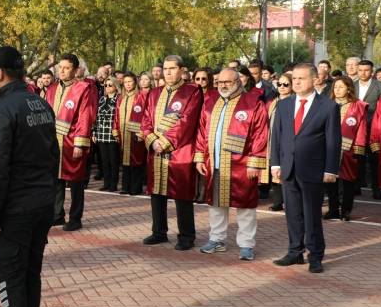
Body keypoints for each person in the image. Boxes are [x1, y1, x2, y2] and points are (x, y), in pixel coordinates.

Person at [0, 45, 59, 307]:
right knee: (30, 273)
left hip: (15, 208)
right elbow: (54, 156)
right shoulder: (40, 103)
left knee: (11, 275)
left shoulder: (2, 110)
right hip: (40, 203)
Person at [270, 63, 341, 273]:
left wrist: (330, 170)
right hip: (288, 168)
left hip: (313, 170)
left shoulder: (328, 106)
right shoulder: (283, 105)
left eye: (301, 78)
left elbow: (333, 141)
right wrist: (275, 163)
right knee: (292, 213)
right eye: (295, 79)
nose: (297, 82)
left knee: (311, 215)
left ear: (314, 79)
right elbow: (277, 137)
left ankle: (315, 255)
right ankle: (294, 252)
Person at [193, 68, 269, 261]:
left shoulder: (252, 103)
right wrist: (200, 157)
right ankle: (217, 239)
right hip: (214, 162)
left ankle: (246, 244)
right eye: (220, 82)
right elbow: (202, 131)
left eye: (228, 82)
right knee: (216, 204)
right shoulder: (210, 102)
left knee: (245, 206)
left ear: (238, 82)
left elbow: (260, 135)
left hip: (242, 164)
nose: (223, 85)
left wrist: (255, 163)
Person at [140, 55, 202, 250]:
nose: (168, 72)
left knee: (182, 195)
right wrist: (151, 140)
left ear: (182, 70)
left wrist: (164, 142)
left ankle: (186, 236)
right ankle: (159, 232)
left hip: (180, 150)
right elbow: (146, 120)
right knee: (156, 192)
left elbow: (187, 122)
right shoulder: (154, 93)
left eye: (172, 68)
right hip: (156, 151)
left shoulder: (192, 92)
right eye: (165, 68)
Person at [44, 53, 97, 231]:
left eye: (67, 68)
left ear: (75, 70)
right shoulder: (51, 89)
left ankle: (76, 218)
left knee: (75, 181)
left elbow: (86, 116)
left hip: (72, 141)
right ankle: (57, 215)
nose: (63, 71)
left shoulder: (84, 88)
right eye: (61, 67)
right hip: (53, 142)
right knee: (55, 180)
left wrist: (80, 143)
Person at [324, 76, 367, 221]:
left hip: (349, 149)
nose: (337, 90)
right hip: (329, 147)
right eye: (335, 87)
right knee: (330, 180)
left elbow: (362, 129)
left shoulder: (358, 106)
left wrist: (359, 148)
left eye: (341, 87)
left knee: (348, 181)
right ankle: (333, 209)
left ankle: (346, 210)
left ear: (349, 88)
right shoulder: (327, 104)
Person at [262, 72, 291, 211]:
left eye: (286, 84)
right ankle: (278, 201)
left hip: (287, 141)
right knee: (274, 169)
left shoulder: (294, 101)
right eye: (279, 84)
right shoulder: (273, 102)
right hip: (272, 139)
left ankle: (288, 201)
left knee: (286, 171)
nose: (282, 87)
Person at [355, 60, 381, 199]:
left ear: (372, 71)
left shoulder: (380, 86)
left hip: (374, 129)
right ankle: (356, 187)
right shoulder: (351, 85)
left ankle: (376, 189)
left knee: (374, 159)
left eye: (366, 70)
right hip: (355, 130)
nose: (363, 73)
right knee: (356, 158)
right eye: (360, 70)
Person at [114, 72, 147, 195]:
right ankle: (125, 187)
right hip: (123, 134)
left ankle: (135, 188)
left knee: (136, 161)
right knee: (125, 161)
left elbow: (146, 116)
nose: (128, 84)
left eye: (130, 82)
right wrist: (115, 130)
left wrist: (142, 132)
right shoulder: (121, 98)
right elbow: (116, 115)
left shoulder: (141, 96)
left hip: (136, 134)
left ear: (135, 82)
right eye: (126, 82)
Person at [93, 77, 120, 191]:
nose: (107, 87)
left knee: (113, 161)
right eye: (106, 85)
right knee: (104, 161)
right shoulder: (101, 100)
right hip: (101, 134)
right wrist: (94, 132)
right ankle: (106, 183)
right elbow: (96, 118)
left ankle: (113, 184)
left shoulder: (119, 99)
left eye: (110, 85)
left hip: (112, 135)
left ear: (115, 86)